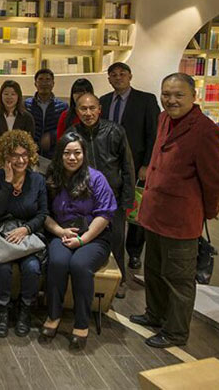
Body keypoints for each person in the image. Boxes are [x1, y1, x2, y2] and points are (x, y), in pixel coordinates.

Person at [131, 73, 219, 348]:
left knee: (178, 278)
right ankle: (155, 314)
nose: (171, 100)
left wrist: (206, 211)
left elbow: (216, 181)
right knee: (154, 270)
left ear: (193, 96)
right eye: (166, 94)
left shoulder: (206, 131)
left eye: (178, 95)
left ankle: (175, 332)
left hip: (181, 218)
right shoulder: (164, 119)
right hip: (154, 214)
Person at [41, 132, 116, 350]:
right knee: (58, 262)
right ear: (59, 155)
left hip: (93, 237)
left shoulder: (96, 178)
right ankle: (53, 315)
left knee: (80, 265)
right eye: (67, 153)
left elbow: (104, 215)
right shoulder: (52, 177)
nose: (72, 158)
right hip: (61, 233)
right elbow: (44, 212)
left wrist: (82, 240)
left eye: (77, 153)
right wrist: (60, 231)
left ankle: (82, 323)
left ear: (84, 154)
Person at [0, 130, 47, 338]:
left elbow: (43, 213)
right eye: (15, 155)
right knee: (2, 267)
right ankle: (2, 310)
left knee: (32, 267)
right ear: (6, 156)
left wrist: (26, 229)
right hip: (3, 233)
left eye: (24, 155)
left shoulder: (38, 180)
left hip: (28, 233)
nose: (21, 160)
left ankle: (25, 311)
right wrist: (8, 182)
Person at [72, 92, 134, 297]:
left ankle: (121, 280)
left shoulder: (115, 131)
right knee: (90, 237)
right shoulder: (72, 135)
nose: (88, 113)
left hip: (113, 198)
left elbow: (127, 167)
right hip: (84, 198)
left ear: (100, 109)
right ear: (77, 111)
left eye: (92, 108)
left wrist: (127, 199)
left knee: (117, 240)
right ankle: (94, 280)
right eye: (83, 108)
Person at [99, 62, 160, 270]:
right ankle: (107, 246)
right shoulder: (104, 101)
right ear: (108, 79)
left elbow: (154, 134)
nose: (118, 78)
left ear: (130, 76)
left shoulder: (146, 100)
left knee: (135, 208)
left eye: (122, 74)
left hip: (136, 165)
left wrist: (147, 164)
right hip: (108, 166)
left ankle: (133, 252)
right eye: (113, 75)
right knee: (112, 209)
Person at [0, 80, 34, 173]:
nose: (9, 97)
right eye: (6, 94)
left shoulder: (27, 117)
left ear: (18, 96)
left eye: (13, 94)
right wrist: (2, 157)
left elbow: (29, 141)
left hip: (20, 164)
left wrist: (15, 157)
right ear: (1, 95)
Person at [24, 68, 67, 158]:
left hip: (54, 155)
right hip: (30, 154)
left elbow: (66, 129)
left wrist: (52, 137)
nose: (44, 83)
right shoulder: (25, 105)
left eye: (48, 80)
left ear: (53, 84)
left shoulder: (63, 106)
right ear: (35, 83)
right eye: (40, 80)